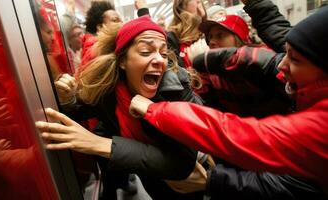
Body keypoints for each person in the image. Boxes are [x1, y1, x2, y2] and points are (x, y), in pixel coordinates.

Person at [129, 6, 328, 188]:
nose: (212, 41)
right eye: (209, 37)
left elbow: (236, 134)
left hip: (268, 165)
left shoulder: (260, 69)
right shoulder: (212, 74)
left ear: (240, 39)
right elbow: (208, 111)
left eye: (221, 35)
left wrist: (155, 110)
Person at [37, 15, 207, 199]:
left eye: (164, 53)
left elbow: (182, 163)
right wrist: (66, 96)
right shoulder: (109, 91)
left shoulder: (176, 91)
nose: (159, 60)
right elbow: (75, 110)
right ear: (122, 61)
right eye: (145, 51)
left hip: (195, 186)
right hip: (155, 185)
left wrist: (100, 144)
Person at [76, 0, 122, 78]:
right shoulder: (96, 48)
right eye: (115, 20)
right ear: (100, 27)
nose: (121, 24)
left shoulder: (98, 45)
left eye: (121, 20)